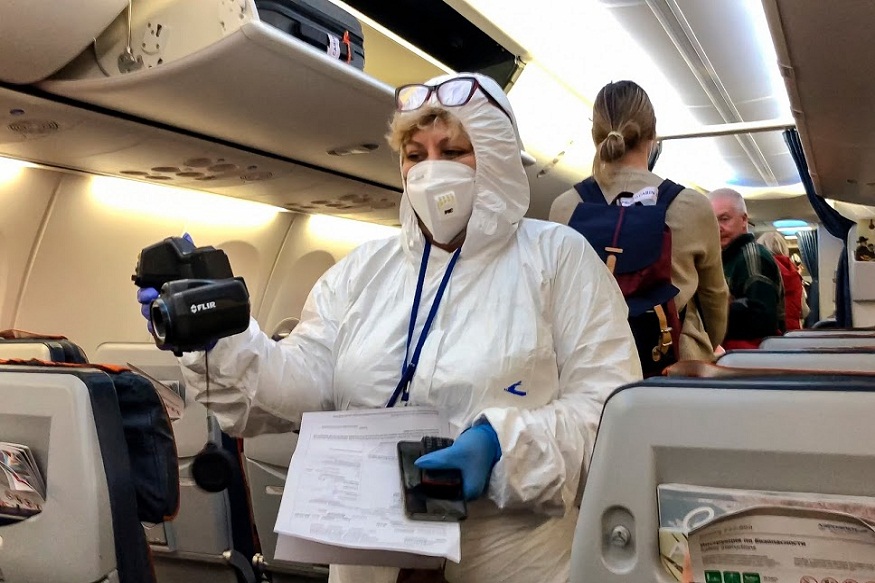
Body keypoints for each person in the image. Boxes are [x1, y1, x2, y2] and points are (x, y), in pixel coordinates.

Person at [137, 73, 642, 583]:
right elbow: (303, 385)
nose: (430, 172)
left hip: (511, 561)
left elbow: (611, 410)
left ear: (496, 158)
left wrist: (500, 445)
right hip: (371, 557)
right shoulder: (364, 270)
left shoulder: (558, 259)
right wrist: (223, 338)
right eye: (415, 155)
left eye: (453, 151)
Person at [549, 80, 728, 362]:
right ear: (653, 136)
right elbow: (714, 297)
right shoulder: (692, 206)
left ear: (595, 136)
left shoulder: (565, 207)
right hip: (674, 366)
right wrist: (706, 343)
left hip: (588, 364)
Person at [708, 188, 785, 348]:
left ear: (744, 220)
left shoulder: (753, 256)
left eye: (724, 219)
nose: (718, 227)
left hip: (750, 360)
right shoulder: (724, 258)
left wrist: (710, 308)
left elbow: (763, 319)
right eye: (711, 221)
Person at [757, 231, 804, 330]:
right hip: (792, 330)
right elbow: (804, 310)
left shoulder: (760, 269)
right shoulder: (794, 272)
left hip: (769, 330)